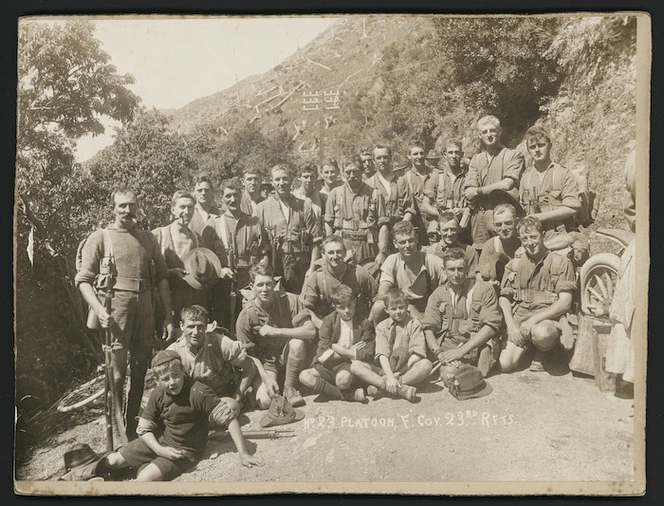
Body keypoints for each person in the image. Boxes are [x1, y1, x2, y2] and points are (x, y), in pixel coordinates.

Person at [76, 188, 174, 440]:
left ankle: (133, 426)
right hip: (116, 312)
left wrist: (168, 315)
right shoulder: (100, 237)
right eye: (122, 206)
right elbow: (83, 280)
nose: (128, 211)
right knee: (117, 375)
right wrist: (98, 309)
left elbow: (162, 279)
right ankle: (119, 434)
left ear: (139, 207)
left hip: (146, 311)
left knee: (141, 372)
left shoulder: (148, 238)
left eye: (132, 205)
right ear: (113, 209)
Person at [99, 350, 263, 481]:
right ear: (157, 380)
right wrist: (160, 449)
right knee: (112, 462)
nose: (172, 382)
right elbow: (144, 429)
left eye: (176, 375)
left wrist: (244, 454)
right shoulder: (158, 394)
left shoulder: (198, 392)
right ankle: (84, 473)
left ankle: (139, 467)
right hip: (160, 441)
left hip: (184, 451)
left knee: (144, 478)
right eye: (165, 379)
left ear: (183, 371)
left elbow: (230, 420)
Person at [498, 216, 576, 373]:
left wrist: (533, 320)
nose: (530, 243)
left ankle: (545, 351)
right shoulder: (515, 263)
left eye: (533, 237)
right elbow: (504, 297)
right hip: (521, 318)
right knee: (505, 365)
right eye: (524, 239)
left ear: (543, 235)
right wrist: (512, 326)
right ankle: (529, 348)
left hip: (547, 320)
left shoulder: (560, 262)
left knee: (542, 334)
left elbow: (565, 302)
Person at [236, 263, 317, 408]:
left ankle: (289, 388)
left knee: (297, 343)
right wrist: (266, 379)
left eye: (268, 284)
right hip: (266, 363)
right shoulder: (246, 315)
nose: (265, 289)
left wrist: (278, 331)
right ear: (251, 286)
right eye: (260, 285)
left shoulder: (290, 300)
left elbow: (310, 331)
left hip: (289, 356)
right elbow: (249, 356)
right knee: (265, 402)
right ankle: (258, 388)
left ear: (274, 283)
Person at [421, 248, 502, 378]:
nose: (456, 274)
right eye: (452, 270)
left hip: (477, 342)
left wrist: (461, 352)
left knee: (479, 373)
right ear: (444, 270)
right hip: (449, 343)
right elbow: (428, 327)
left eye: (460, 269)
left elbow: (491, 327)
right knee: (449, 373)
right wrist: (439, 352)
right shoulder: (438, 293)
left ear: (467, 269)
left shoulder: (484, 289)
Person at [203, 180, 269, 330]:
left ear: (241, 196)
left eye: (236, 195)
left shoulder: (254, 223)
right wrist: (219, 270)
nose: (233, 200)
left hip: (249, 284)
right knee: (223, 325)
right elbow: (205, 257)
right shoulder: (213, 224)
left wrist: (258, 276)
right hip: (223, 285)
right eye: (228, 196)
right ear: (222, 198)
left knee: (250, 324)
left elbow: (264, 254)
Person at [520, 126, 589, 264]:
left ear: (550, 145)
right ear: (528, 150)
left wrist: (539, 217)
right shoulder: (525, 178)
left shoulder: (563, 174)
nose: (537, 150)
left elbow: (572, 208)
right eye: (533, 147)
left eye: (541, 145)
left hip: (563, 235)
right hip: (535, 240)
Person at [351, 288, 433, 402]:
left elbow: (417, 355)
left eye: (401, 307)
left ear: (407, 306)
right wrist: (389, 375)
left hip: (405, 369)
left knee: (426, 365)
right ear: (386, 310)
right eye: (393, 309)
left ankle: (383, 386)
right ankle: (401, 390)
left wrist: (395, 376)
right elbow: (382, 355)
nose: (398, 312)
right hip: (384, 369)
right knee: (355, 365)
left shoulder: (414, 324)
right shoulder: (381, 326)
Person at [299, 284, 374, 403]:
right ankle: (347, 395)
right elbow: (322, 353)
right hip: (328, 365)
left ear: (355, 302)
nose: (347, 311)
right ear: (334, 307)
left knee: (342, 381)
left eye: (349, 305)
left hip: (347, 365)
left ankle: (335, 390)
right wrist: (350, 352)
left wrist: (341, 350)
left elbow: (368, 352)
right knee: (304, 376)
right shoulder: (329, 321)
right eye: (342, 307)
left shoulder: (364, 323)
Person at [254, 164, 322, 294]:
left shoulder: (304, 206)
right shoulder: (261, 209)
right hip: (274, 265)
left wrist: (312, 268)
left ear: (291, 180)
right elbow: (258, 246)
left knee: (299, 304)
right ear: (271, 182)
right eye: (277, 179)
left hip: (300, 266)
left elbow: (316, 240)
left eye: (285, 179)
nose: (281, 183)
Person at [167, 305, 257, 402]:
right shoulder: (173, 352)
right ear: (181, 326)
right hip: (191, 400)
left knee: (229, 409)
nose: (196, 332)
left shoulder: (220, 343)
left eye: (200, 326)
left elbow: (250, 367)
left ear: (206, 326)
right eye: (191, 327)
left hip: (221, 396)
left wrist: (237, 397)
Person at [464, 115, 525, 250]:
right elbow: (468, 192)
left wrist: (479, 190)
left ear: (500, 131)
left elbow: (507, 184)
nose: (489, 135)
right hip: (480, 218)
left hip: (504, 217)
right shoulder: (476, 159)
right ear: (480, 135)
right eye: (485, 132)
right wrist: (486, 189)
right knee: (481, 253)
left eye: (492, 130)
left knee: (507, 251)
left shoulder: (513, 155)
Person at [370, 220, 446, 322]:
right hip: (401, 308)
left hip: (429, 308)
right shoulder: (392, 260)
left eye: (411, 240)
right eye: (402, 242)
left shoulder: (432, 261)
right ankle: (380, 335)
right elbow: (382, 293)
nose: (407, 246)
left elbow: (449, 288)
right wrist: (408, 306)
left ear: (417, 239)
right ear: (395, 244)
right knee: (378, 306)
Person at [152, 191, 207, 330]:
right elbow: (148, 270)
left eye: (190, 208)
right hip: (164, 301)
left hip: (191, 300)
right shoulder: (159, 235)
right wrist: (169, 272)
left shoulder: (197, 239)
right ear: (173, 209)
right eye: (182, 207)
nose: (186, 212)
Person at [299, 234, 377, 328]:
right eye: (330, 252)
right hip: (328, 326)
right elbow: (307, 308)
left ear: (345, 253)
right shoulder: (317, 277)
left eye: (339, 252)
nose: (335, 256)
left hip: (357, 325)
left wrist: (367, 323)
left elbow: (378, 298)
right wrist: (322, 326)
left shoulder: (359, 273)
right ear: (323, 255)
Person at [324, 156, 389, 263]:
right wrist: (329, 249)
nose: (352, 176)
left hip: (367, 246)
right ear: (342, 172)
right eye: (348, 172)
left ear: (362, 171)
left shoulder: (375, 194)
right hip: (342, 248)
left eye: (356, 172)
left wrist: (382, 252)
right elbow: (328, 224)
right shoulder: (335, 194)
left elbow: (383, 225)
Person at [365, 144, 416, 262]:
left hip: (400, 235)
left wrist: (400, 229)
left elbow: (410, 208)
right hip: (377, 237)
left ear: (391, 158)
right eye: (379, 158)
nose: (382, 161)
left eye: (385, 157)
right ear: (373, 160)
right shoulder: (369, 184)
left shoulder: (401, 181)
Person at [423, 140, 471, 243]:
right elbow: (425, 206)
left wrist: (461, 211)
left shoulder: (468, 178)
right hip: (441, 230)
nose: (453, 156)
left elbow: (474, 204)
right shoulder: (436, 177)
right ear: (445, 155)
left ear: (461, 154)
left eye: (457, 152)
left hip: (461, 229)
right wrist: (442, 214)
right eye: (450, 152)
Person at [398, 140, 441, 246]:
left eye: (421, 153)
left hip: (438, 224)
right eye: (415, 154)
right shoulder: (405, 179)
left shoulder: (436, 174)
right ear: (409, 156)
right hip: (418, 228)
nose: (419, 156)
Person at [422, 211, 479, 278]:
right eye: (445, 230)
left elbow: (474, 279)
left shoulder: (470, 252)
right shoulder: (429, 252)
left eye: (453, 229)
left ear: (459, 229)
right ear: (438, 231)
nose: (449, 234)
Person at [477, 204, 522, 283]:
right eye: (499, 225)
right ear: (494, 226)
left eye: (508, 223)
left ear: (517, 222)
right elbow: (479, 275)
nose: (503, 228)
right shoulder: (491, 245)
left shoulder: (525, 242)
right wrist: (489, 284)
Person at [292, 161, 327, 233]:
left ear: (316, 177)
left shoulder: (322, 198)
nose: (309, 180)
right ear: (299, 177)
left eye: (312, 177)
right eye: (305, 177)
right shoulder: (293, 197)